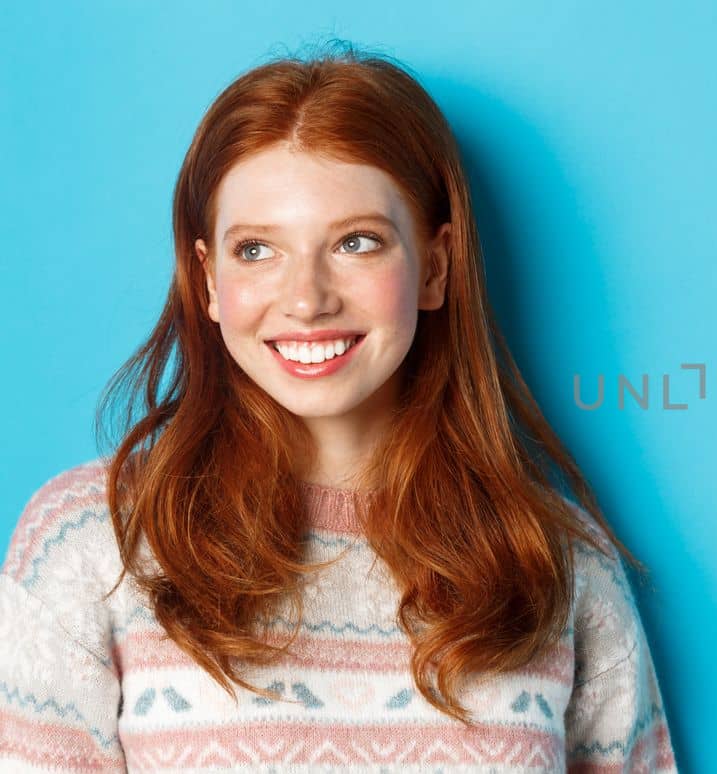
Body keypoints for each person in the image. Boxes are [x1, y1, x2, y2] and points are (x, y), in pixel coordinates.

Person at [0, 42, 677, 773]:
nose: (307, 300)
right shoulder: (89, 544)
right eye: (258, 250)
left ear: (437, 266)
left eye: (357, 242)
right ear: (208, 282)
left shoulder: (557, 561)